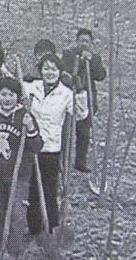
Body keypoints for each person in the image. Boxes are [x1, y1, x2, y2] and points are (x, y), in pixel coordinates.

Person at [0, 77, 43, 260]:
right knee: (1, 211)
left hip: (19, 175)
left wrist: (30, 128)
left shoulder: (25, 117)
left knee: (16, 214)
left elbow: (37, 146)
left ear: (18, 97)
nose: (7, 99)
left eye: (11, 95)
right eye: (3, 94)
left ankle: (13, 252)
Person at [23, 53, 88, 237]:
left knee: (49, 190)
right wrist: (24, 76)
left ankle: (51, 228)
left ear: (60, 72)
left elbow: (81, 114)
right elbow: (13, 89)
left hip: (51, 148)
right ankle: (34, 229)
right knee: (32, 190)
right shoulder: (32, 87)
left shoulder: (66, 93)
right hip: (31, 145)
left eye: (54, 69)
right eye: (46, 68)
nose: (50, 72)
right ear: (40, 70)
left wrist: (80, 91)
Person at [62, 29, 107, 172]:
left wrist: (91, 61)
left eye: (87, 41)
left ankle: (80, 162)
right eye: (81, 41)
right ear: (77, 41)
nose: (84, 44)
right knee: (66, 131)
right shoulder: (68, 54)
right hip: (70, 96)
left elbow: (100, 76)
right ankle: (63, 161)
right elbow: (65, 71)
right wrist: (80, 62)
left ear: (91, 43)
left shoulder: (95, 58)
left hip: (87, 99)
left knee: (84, 133)